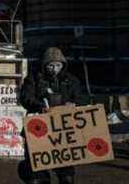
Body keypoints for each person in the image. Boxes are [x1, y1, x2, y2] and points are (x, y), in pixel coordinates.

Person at [19, 47, 84, 184]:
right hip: (38, 129)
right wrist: (40, 106)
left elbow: (79, 98)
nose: (54, 69)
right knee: (36, 173)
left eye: (58, 65)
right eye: (51, 65)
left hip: (62, 131)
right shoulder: (33, 79)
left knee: (66, 174)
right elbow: (25, 97)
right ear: (44, 65)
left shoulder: (72, 81)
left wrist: (73, 104)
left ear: (63, 65)